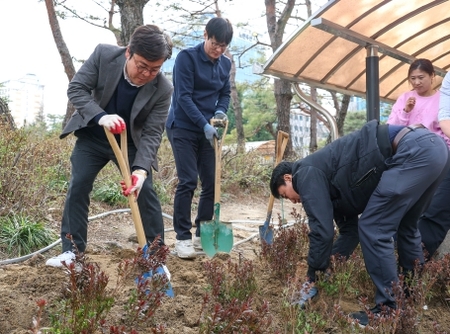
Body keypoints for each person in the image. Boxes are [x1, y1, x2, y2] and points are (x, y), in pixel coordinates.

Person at [269, 120, 450, 327]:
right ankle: (410, 299)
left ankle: (387, 310)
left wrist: (312, 277)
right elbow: (349, 233)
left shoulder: (305, 172)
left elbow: (322, 231)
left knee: (374, 228)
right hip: (435, 151)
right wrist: (330, 267)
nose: (293, 201)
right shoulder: (328, 180)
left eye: (286, 195)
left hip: (413, 150)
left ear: (288, 177)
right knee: (407, 228)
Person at [46, 24, 174, 268]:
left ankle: (157, 259)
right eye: (142, 66)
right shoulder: (104, 55)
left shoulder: (164, 89)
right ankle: (72, 253)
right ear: (128, 52)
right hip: (94, 136)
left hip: (131, 144)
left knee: (144, 192)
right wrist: (100, 115)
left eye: (155, 69)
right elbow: (76, 88)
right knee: (79, 184)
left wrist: (140, 171)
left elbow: (152, 132)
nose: (147, 74)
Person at [166, 17, 233, 258]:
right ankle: (182, 237)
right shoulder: (187, 58)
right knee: (188, 181)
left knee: (211, 182)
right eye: (215, 43)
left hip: (209, 128)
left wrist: (219, 111)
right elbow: (183, 97)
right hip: (182, 126)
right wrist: (203, 123)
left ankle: (201, 233)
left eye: (223, 46)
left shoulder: (225, 64)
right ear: (205, 35)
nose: (218, 50)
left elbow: (225, 93)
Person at [388, 58, 450, 259]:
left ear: (433, 77)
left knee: (433, 206)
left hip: (438, 158)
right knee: (406, 204)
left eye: (421, 77)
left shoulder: (443, 99)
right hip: (409, 158)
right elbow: (392, 128)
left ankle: (419, 256)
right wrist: (406, 111)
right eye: (412, 78)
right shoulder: (405, 98)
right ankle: (402, 252)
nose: (416, 82)